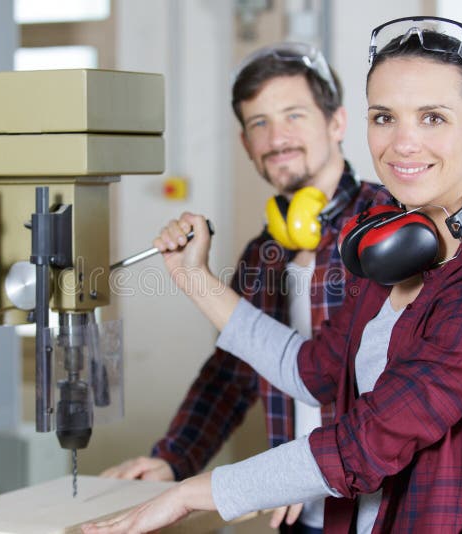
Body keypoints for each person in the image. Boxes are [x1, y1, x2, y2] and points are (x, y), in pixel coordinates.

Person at [84, 16, 462, 534]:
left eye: (433, 118)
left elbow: (370, 442)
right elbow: (310, 371)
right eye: (385, 117)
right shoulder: (383, 254)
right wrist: (193, 276)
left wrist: (197, 493)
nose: (403, 143)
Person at [100, 43, 388, 532]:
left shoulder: (385, 233)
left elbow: (350, 379)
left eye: (293, 115)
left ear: (337, 123)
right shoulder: (264, 253)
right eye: (259, 123)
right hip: (295, 513)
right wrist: (174, 459)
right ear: (245, 142)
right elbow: (232, 373)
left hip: (379, 515)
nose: (277, 138)